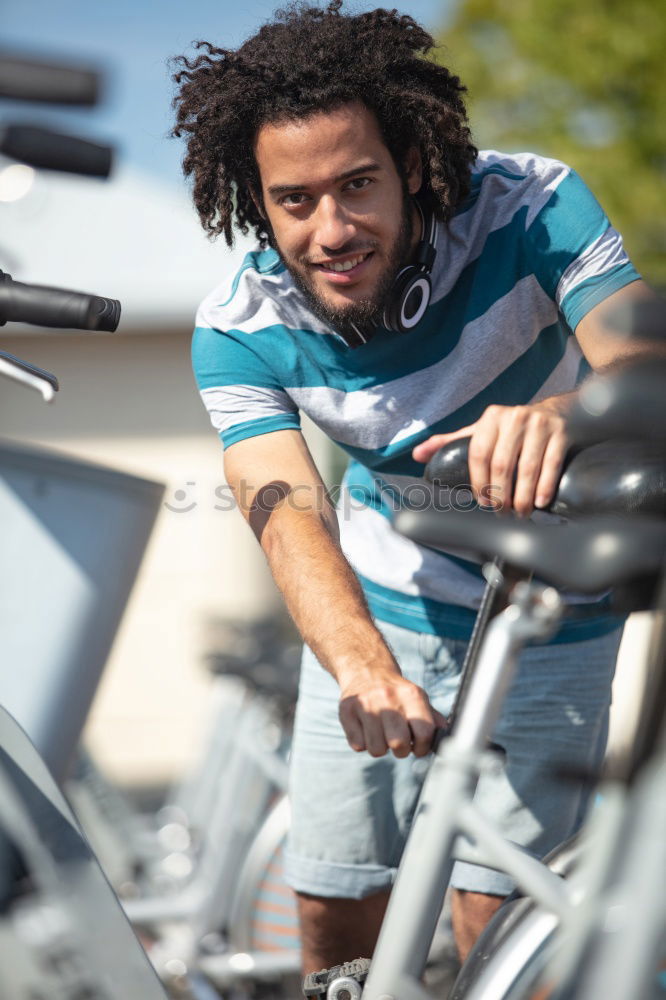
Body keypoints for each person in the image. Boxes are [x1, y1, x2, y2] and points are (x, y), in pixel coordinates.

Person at [172, 0, 652, 972]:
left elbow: (648, 365)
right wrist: (358, 661)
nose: (332, 228)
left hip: (552, 599)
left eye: (358, 185)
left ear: (414, 164)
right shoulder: (235, 328)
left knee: (497, 924)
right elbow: (285, 510)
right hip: (386, 602)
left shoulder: (534, 206)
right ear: (256, 201)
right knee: (332, 913)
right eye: (295, 200)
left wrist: (566, 416)